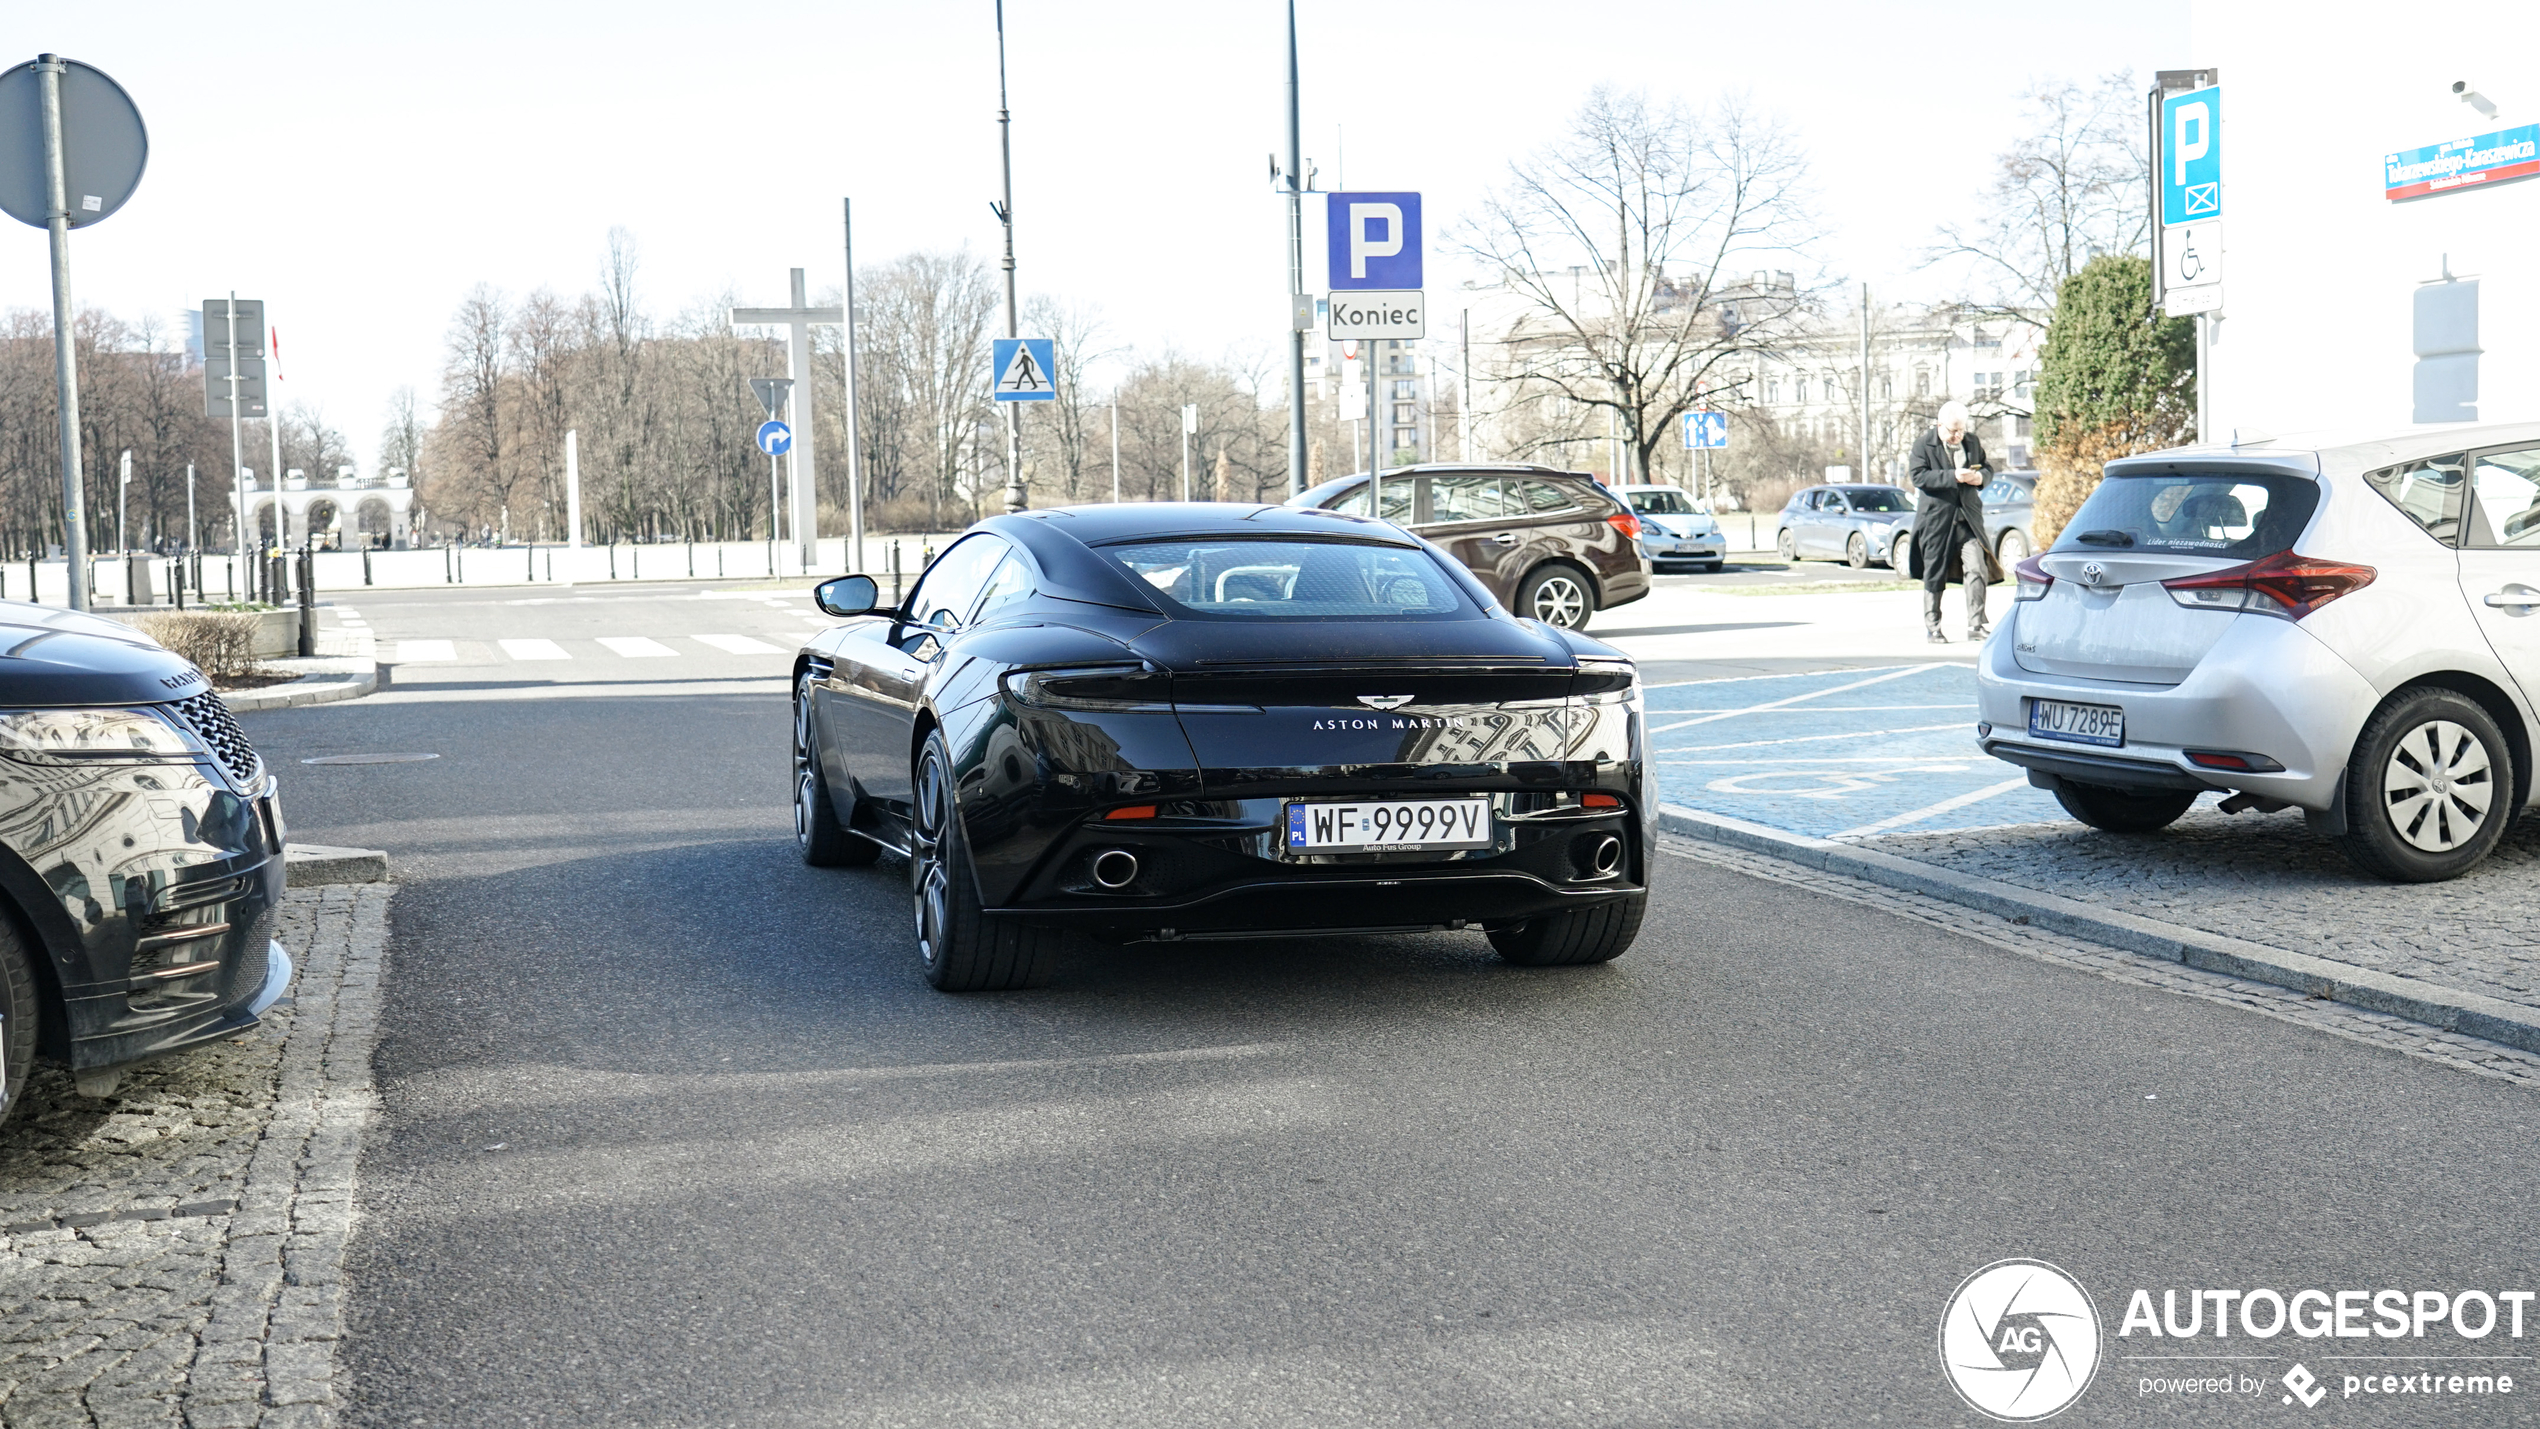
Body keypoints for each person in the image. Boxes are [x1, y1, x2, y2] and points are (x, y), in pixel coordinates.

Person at [1907, 400, 2006, 643]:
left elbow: (1988, 469)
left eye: (1961, 430)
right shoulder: (1923, 445)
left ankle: (1976, 624)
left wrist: (1980, 477)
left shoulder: (1971, 442)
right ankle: (1933, 627)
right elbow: (1918, 476)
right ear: (1940, 425)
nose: (1958, 435)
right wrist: (1952, 476)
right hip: (1936, 520)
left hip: (1968, 519)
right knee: (1934, 573)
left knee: (1977, 569)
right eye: (1953, 431)